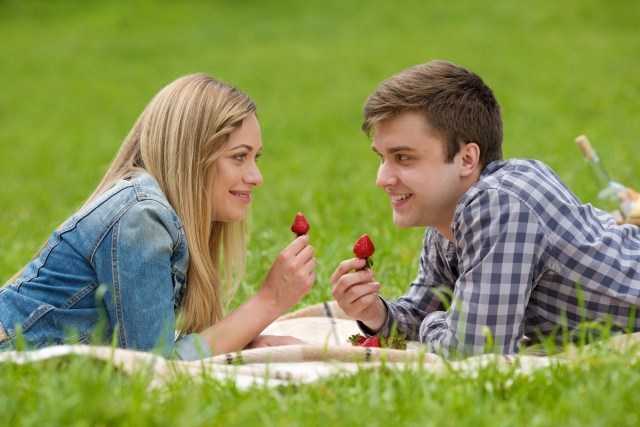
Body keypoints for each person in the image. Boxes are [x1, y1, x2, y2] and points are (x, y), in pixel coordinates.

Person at [331, 60, 640, 358]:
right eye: (382, 158)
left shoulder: (500, 205)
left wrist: (438, 323)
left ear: (467, 159)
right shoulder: (446, 226)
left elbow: (476, 349)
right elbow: (420, 312)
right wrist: (374, 312)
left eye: (404, 158)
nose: (382, 179)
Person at [0, 74, 316, 360]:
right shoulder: (141, 217)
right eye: (239, 157)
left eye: (255, 157)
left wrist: (243, 339)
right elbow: (152, 367)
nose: (256, 176)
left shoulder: (160, 215)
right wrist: (267, 302)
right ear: (194, 157)